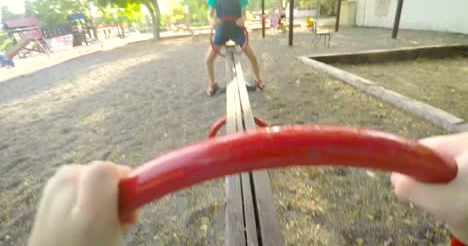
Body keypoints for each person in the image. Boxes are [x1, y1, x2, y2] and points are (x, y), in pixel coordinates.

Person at [28, 132, 468, 245]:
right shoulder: (216, 2)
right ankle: (219, 74)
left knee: (244, 53)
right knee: (213, 55)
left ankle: (250, 74)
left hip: (235, 32)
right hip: (223, 35)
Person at [205, 0, 264, 96]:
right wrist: (213, 21)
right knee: (208, 60)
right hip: (222, 31)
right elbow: (210, 15)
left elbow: (244, 15)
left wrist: (242, 19)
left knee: (252, 56)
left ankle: (258, 81)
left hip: (237, 30)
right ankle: (212, 84)